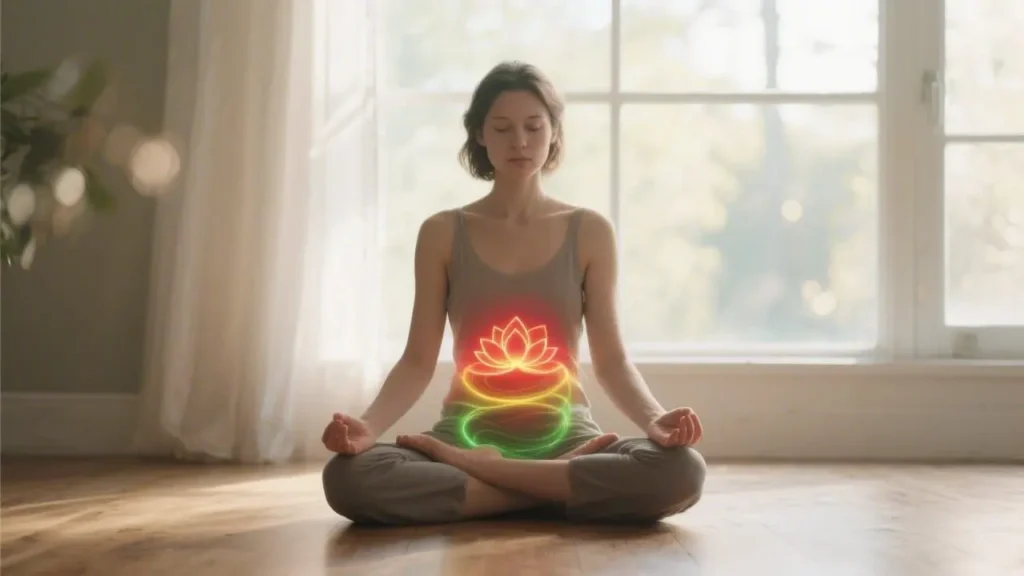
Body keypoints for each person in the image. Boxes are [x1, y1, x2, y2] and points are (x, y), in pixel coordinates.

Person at [321, 61, 706, 525]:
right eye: (502, 128)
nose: (519, 142)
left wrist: (655, 419)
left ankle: (492, 482)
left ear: (553, 132)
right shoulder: (442, 232)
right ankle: (543, 488)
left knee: (682, 471)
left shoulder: (590, 231)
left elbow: (611, 361)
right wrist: (369, 427)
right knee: (347, 478)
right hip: (464, 439)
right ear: (480, 134)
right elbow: (417, 361)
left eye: (533, 126)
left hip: (569, 440)